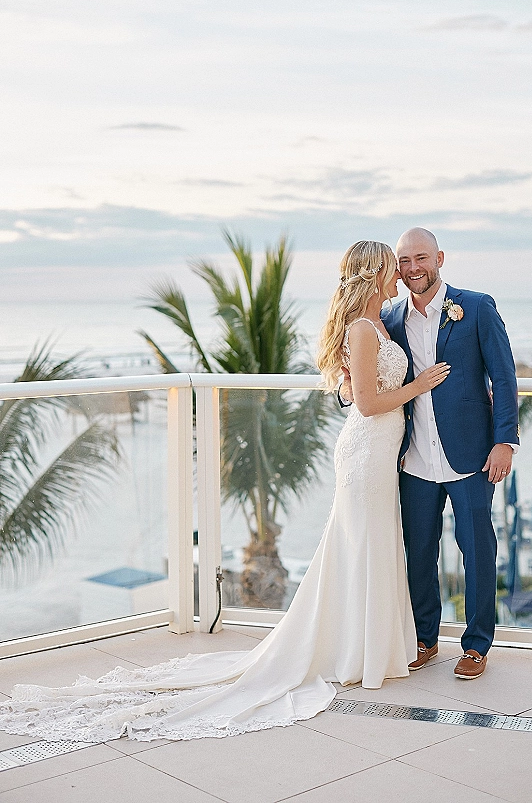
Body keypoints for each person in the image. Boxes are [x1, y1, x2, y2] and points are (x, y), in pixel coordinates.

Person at [0, 241, 449, 743]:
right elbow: (365, 405)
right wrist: (420, 385)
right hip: (366, 453)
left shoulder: (381, 321)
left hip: (381, 454)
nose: (399, 275)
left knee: (367, 547)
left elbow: (351, 390)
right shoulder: (364, 329)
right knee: (363, 545)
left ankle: (364, 646)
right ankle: (355, 652)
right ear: (375, 274)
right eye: (392, 268)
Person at [342, 228, 519, 680]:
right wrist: (346, 388)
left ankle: (477, 646)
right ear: (396, 269)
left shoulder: (476, 307)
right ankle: (424, 637)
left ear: (439, 258)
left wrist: (504, 441)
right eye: (404, 261)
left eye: (421, 257)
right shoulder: (389, 316)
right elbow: (363, 370)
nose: (413, 268)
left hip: (471, 458)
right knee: (418, 552)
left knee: (477, 551)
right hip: (411, 460)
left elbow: (504, 375)